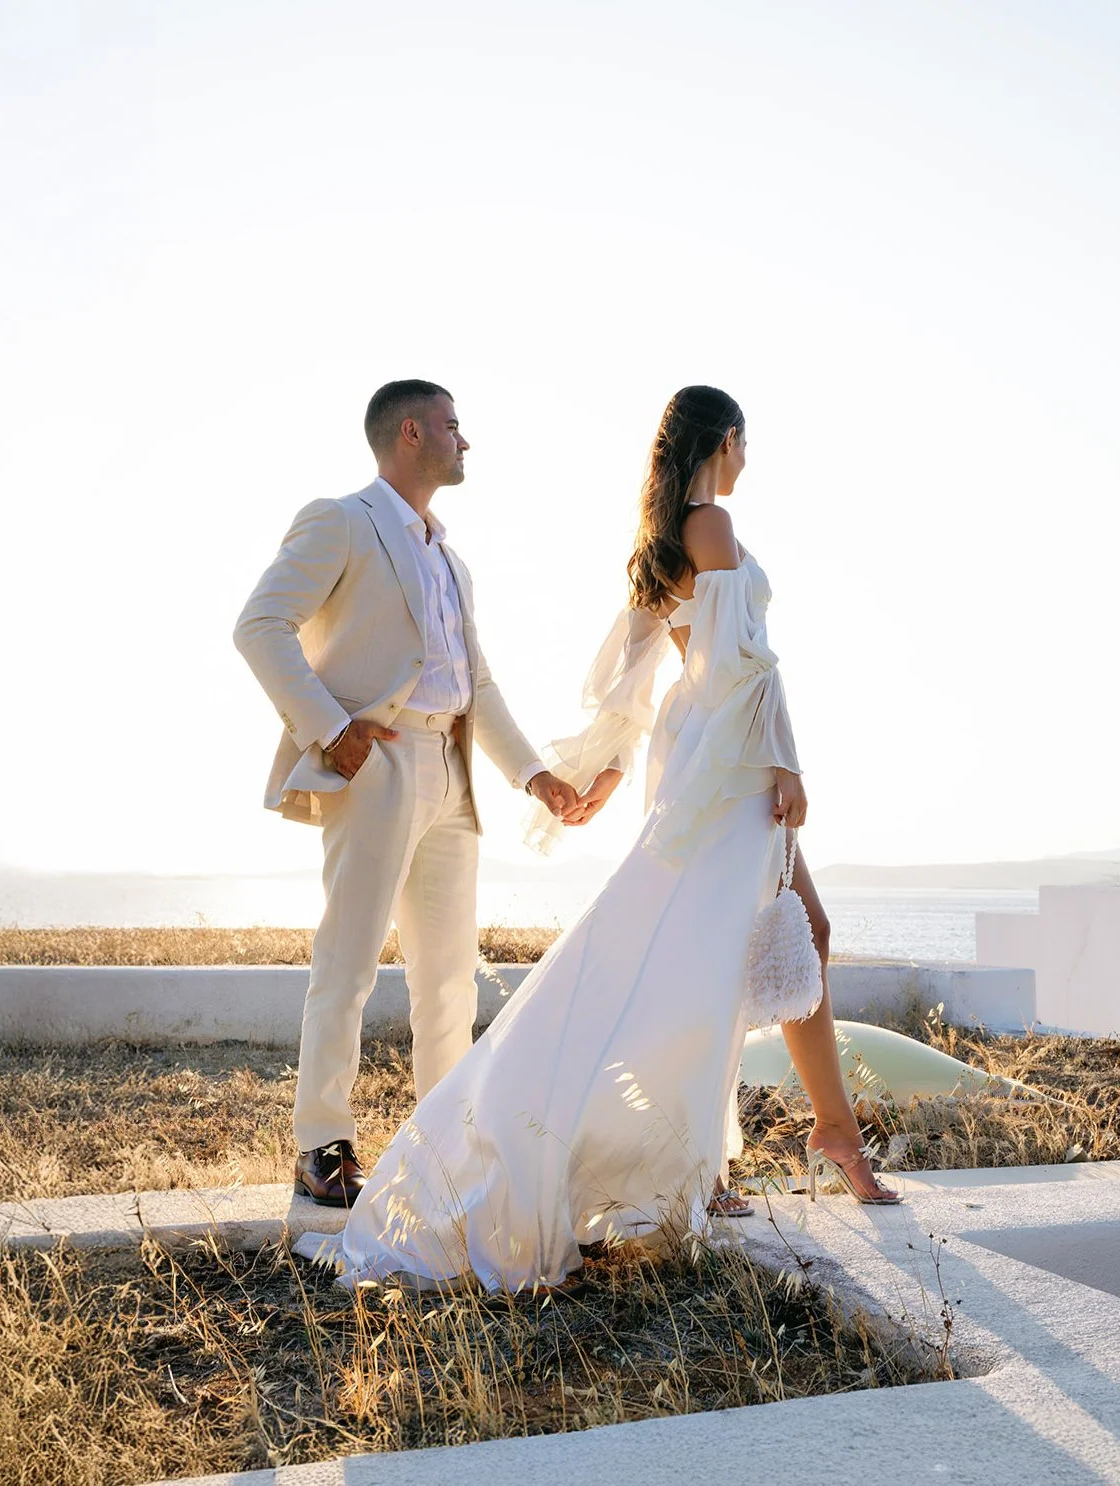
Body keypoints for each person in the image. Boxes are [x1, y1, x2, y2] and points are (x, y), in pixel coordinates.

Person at [296, 384, 897, 1293]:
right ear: (727, 441)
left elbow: (644, 680)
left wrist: (605, 772)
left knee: (747, 940)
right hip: (731, 761)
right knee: (750, 939)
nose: (746, 460)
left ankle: (768, 1146)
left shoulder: (670, 539)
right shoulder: (714, 527)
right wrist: (787, 766)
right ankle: (789, 1143)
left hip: (705, 753)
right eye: (746, 444)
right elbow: (743, 670)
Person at [234, 380, 577, 1208]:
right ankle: (321, 1146)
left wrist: (532, 775)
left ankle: (442, 1145)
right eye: (456, 426)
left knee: (449, 977)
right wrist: (331, 728)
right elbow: (259, 626)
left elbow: (477, 684)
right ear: (413, 433)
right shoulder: (342, 520)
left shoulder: (452, 561)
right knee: (348, 963)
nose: (468, 441)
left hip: (451, 776)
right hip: (375, 765)